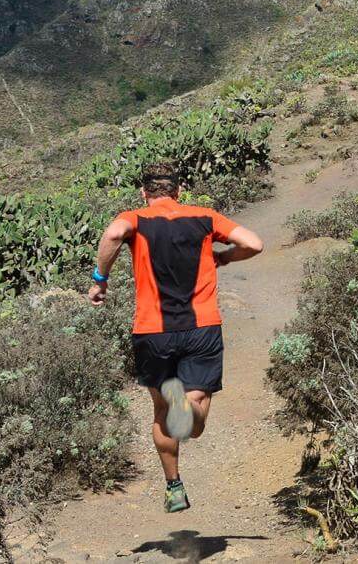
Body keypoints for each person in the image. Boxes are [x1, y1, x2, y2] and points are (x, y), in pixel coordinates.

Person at [88, 162, 264, 513]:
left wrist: (100, 279)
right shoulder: (204, 217)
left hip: (153, 331)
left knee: (162, 410)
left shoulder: (135, 219)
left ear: (144, 193)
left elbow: (111, 235)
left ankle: (173, 486)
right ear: (179, 191)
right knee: (194, 420)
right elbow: (254, 243)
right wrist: (224, 259)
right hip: (201, 329)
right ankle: (189, 411)